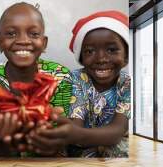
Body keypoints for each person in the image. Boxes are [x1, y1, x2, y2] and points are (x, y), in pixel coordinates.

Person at [0, 2, 73, 157]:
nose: (23, 40)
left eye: (34, 34)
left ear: (44, 43)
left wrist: (54, 139)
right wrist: (0, 144)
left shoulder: (61, 77)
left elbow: (65, 130)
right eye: (11, 34)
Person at [29, 10, 131, 158]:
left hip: (112, 148)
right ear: (81, 58)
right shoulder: (77, 79)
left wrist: (76, 134)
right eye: (90, 51)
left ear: (126, 57)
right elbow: (75, 125)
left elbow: (117, 131)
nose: (101, 58)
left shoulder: (127, 84)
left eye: (111, 50)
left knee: (120, 147)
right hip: (81, 149)